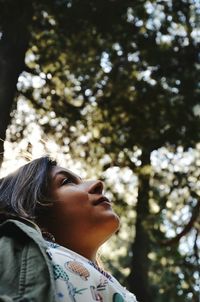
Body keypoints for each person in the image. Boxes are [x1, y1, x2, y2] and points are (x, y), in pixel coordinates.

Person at [0, 156, 138, 302]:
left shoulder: (108, 283)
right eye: (67, 182)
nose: (98, 184)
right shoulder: (10, 252)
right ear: (30, 209)